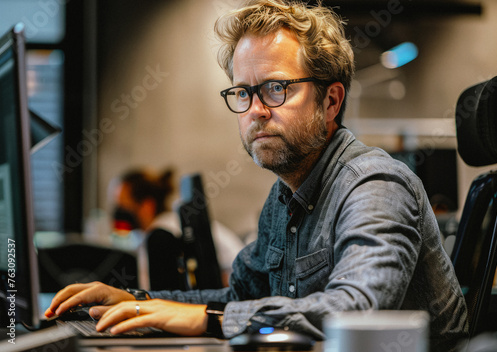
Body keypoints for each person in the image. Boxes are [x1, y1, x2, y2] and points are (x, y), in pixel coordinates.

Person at [45, 1, 469, 350]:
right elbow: (239, 299)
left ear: (331, 100)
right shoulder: (284, 197)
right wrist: (137, 301)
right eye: (243, 92)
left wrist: (204, 319)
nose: (256, 111)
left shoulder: (375, 184)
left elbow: (358, 308)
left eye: (276, 88)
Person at [109, 168, 244, 288]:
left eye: (123, 205)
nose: (118, 212)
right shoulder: (162, 228)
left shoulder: (163, 235)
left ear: (147, 206)